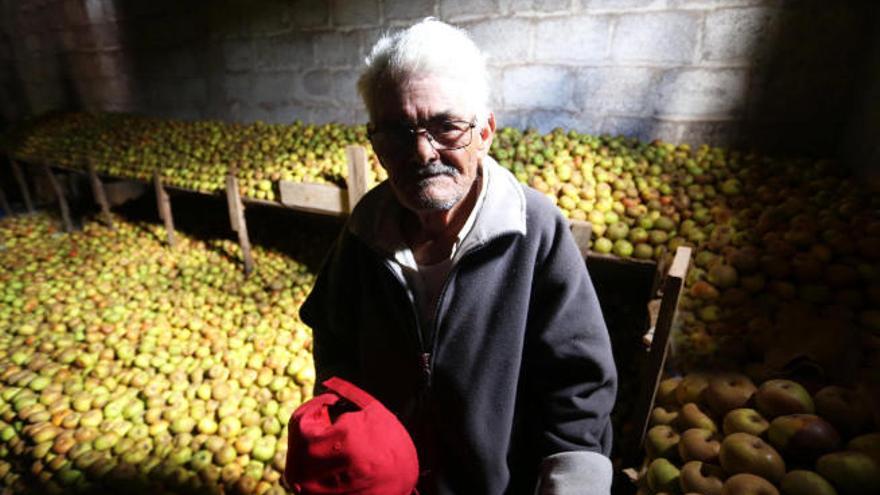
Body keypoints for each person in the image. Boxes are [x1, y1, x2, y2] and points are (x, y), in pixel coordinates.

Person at [299, 18, 617, 495]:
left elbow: (578, 384)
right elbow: (334, 343)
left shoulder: (533, 229)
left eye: (446, 127)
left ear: (485, 131)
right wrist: (347, 439)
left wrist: (569, 482)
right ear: (374, 144)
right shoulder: (365, 230)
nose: (422, 152)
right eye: (397, 132)